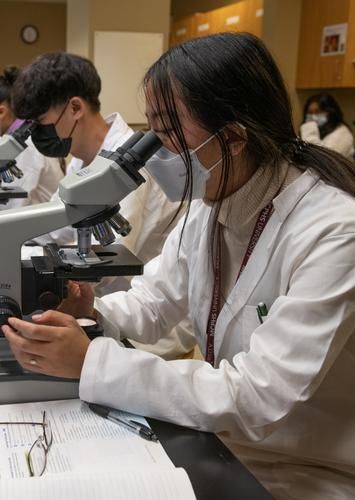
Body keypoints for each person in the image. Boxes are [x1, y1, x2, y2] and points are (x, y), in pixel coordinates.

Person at [3, 32, 355, 499]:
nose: (154, 150)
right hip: (222, 444)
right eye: (149, 130)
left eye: (166, 133)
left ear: (231, 138)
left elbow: (259, 393)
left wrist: (92, 360)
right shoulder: (211, 206)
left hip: (306, 470)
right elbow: (157, 299)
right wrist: (92, 313)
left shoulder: (332, 230)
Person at [11, 52, 195, 360]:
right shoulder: (82, 163)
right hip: (103, 314)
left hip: (148, 337)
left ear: (75, 108)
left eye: (41, 123)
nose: (38, 136)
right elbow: (54, 230)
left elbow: (102, 262)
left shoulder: (130, 171)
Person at [0, 65, 64, 209]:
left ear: (1, 112)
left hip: (47, 228)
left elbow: (14, 206)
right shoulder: (11, 137)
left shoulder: (28, 143)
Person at [300, 92, 354, 161]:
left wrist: (309, 130)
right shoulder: (318, 131)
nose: (313, 117)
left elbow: (322, 160)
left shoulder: (342, 133)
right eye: (310, 113)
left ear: (331, 112)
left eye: (318, 112)